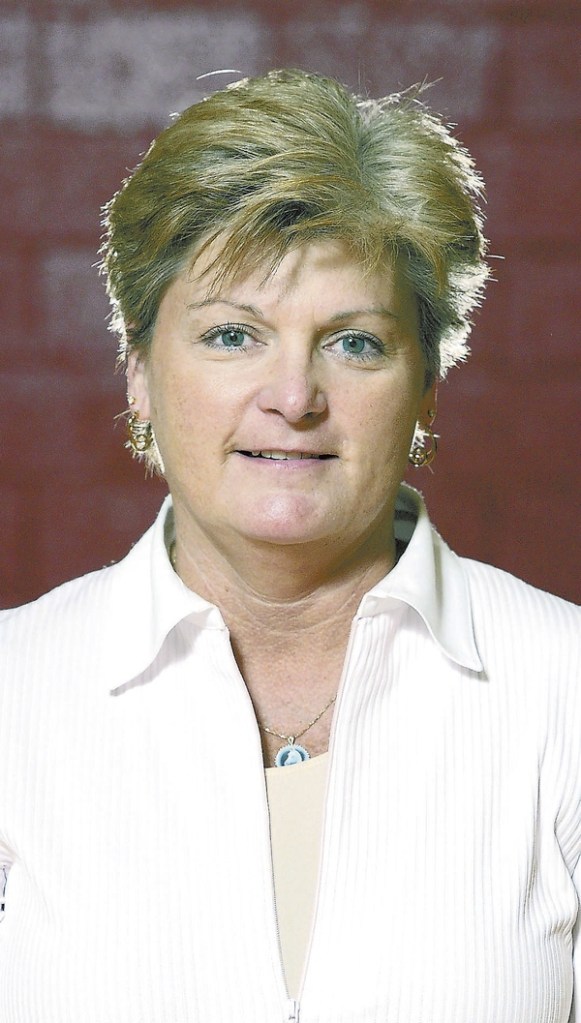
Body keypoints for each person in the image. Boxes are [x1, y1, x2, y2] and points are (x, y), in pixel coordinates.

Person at [0, 68, 579, 1023]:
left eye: (354, 343)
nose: (294, 396)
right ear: (138, 371)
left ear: (426, 387)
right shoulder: (13, 695)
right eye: (233, 336)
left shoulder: (563, 691)